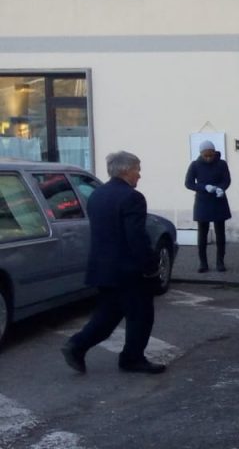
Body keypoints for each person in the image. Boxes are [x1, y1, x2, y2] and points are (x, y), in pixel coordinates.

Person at [61, 150, 164, 375]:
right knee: (141, 315)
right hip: (128, 270)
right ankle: (132, 358)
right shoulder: (132, 198)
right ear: (126, 170)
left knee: (108, 315)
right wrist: (150, 265)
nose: (140, 175)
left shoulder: (98, 195)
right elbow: (135, 236)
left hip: (103, 267)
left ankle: (77, 345)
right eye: (137, 169)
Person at [184, 140, 230, 274]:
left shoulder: (222, 164)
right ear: (201, 154)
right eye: (206, 156)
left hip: (218, 200)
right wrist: (204, 187)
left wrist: (221, 188)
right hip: (203, 201)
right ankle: (203, 263)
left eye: (211, 155)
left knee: (220, 233)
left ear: (214, 153)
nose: (209, 158)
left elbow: (226, 180)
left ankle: (220, 261)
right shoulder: (195, 165)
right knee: (202, 234)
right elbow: (188, 183)